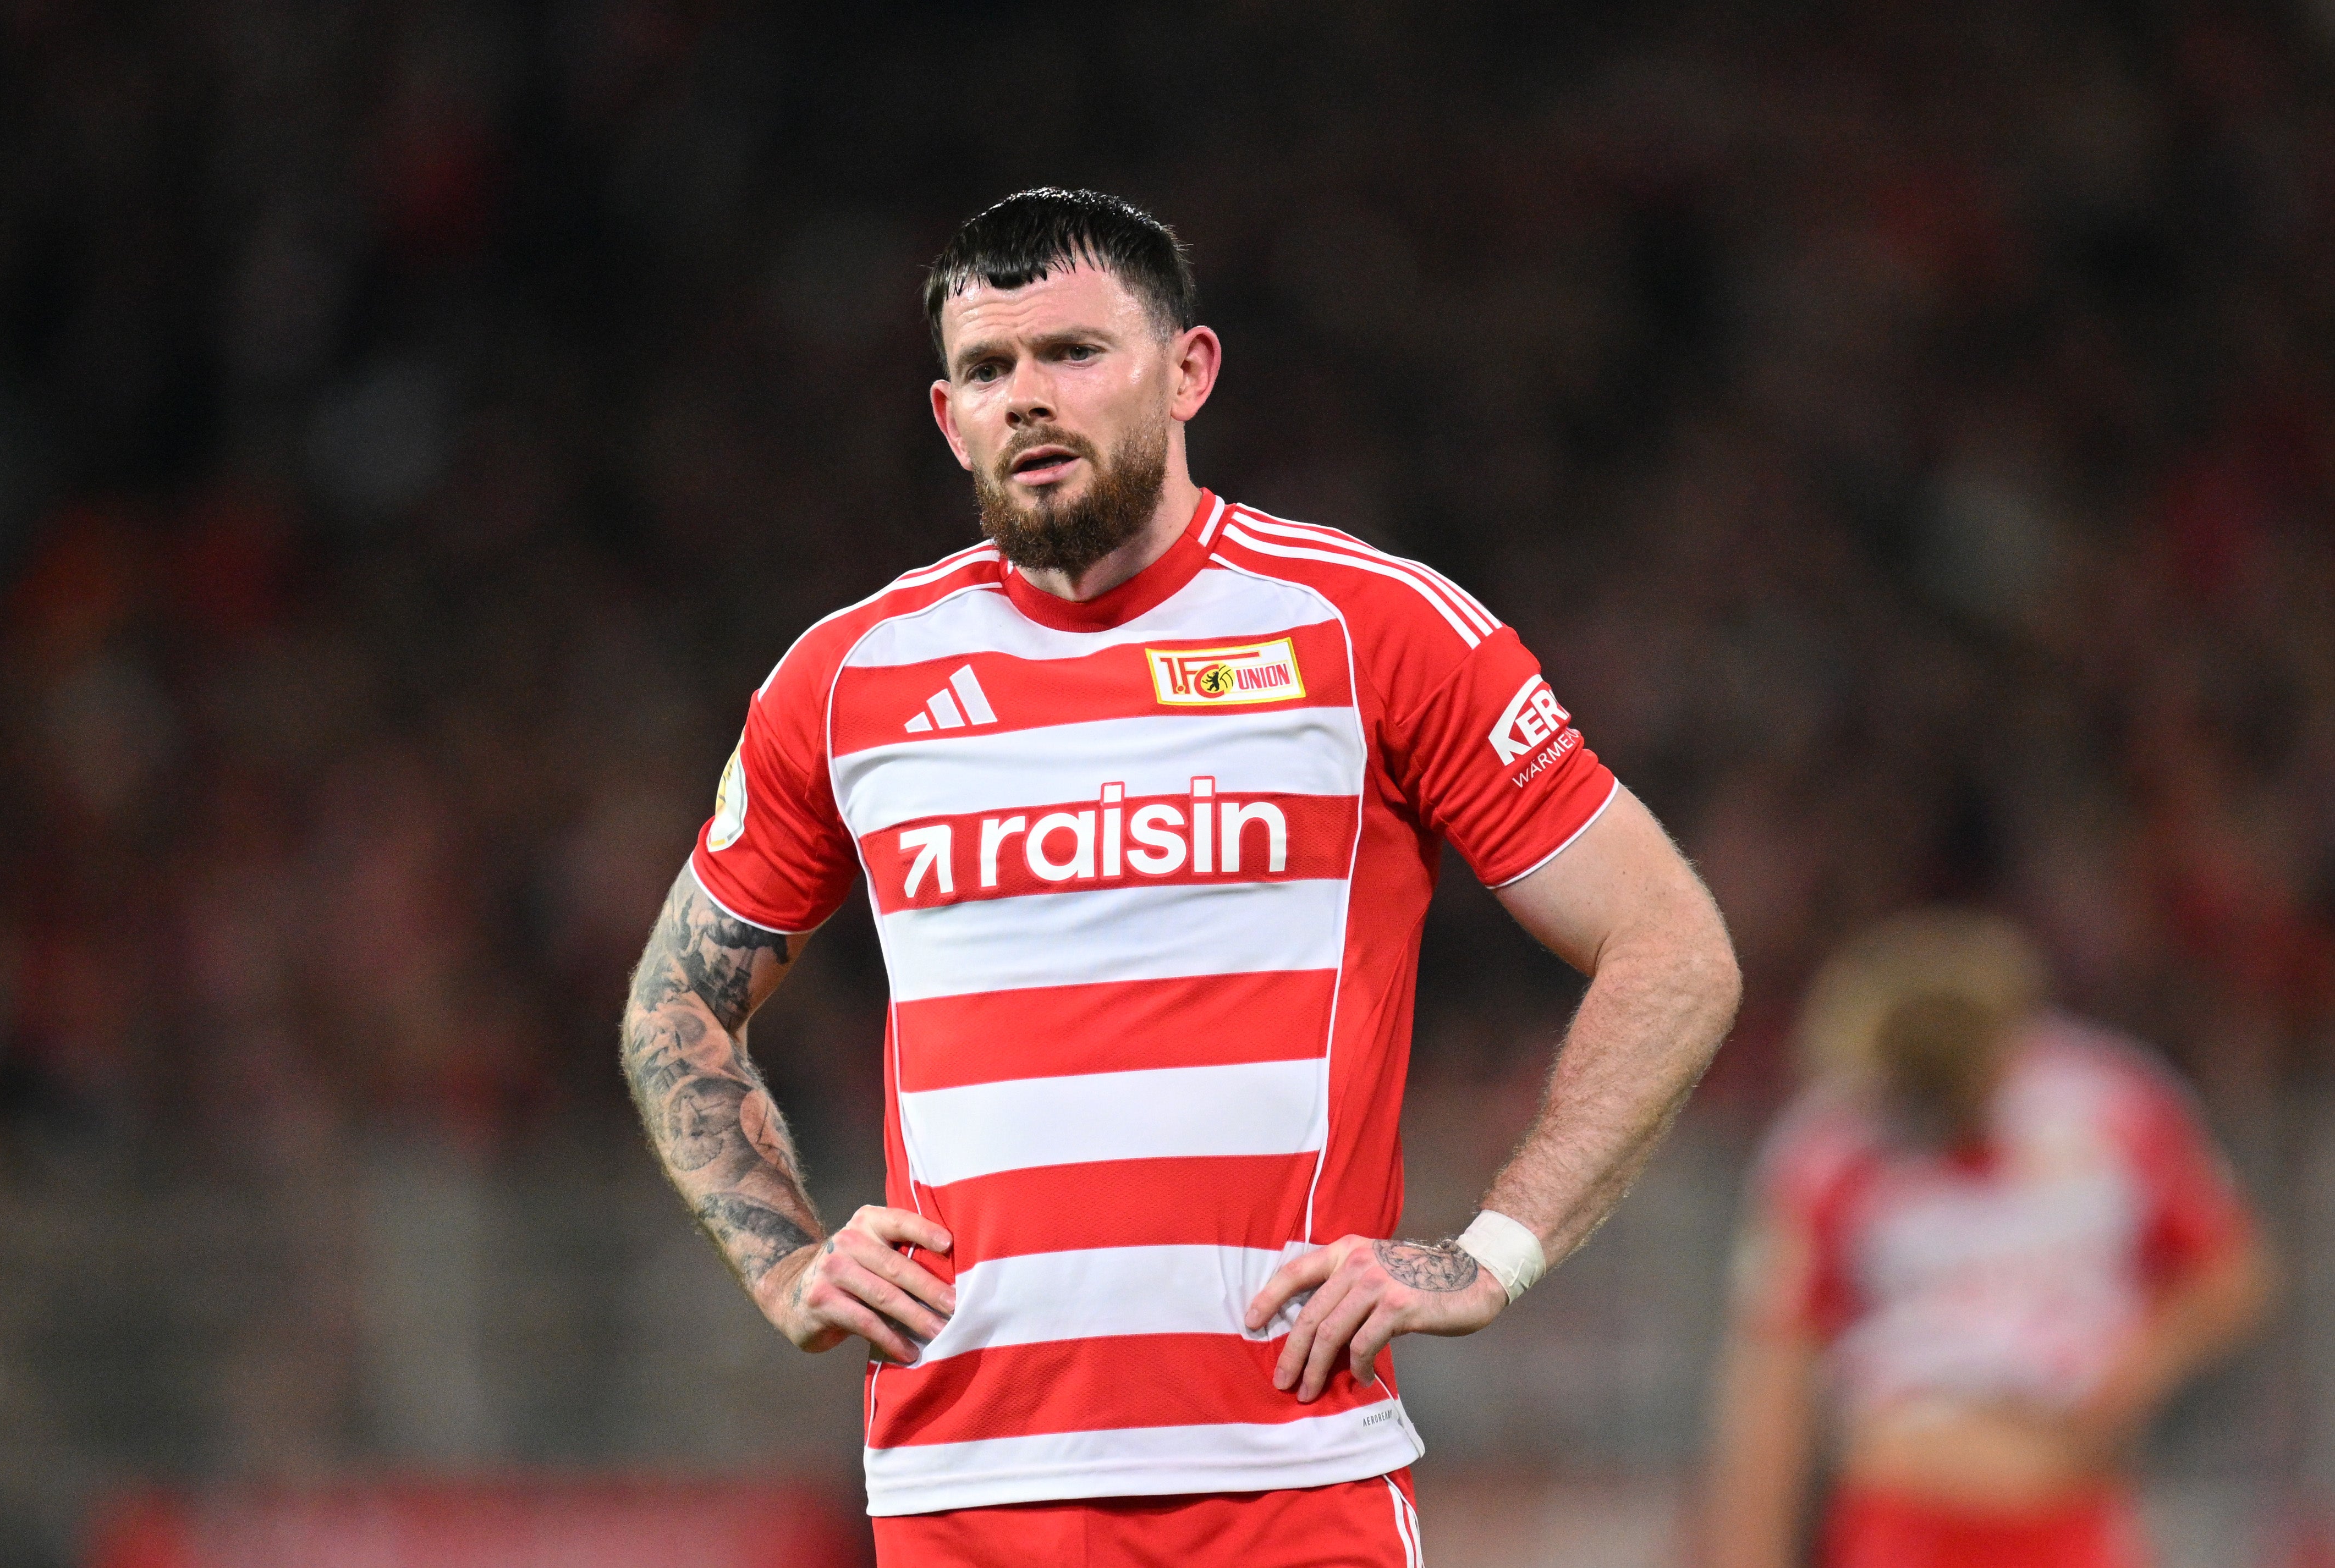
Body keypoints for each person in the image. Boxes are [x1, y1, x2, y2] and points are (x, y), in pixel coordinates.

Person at [621, 188, 1740, 1567]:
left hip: (1287, 1478)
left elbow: (1671, 947)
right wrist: (786, 1261)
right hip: (960, 1491)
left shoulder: (1367, 629)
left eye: (1074, 354)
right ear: (946, 416)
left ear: (1190, 370)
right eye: (988, 369)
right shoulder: (848, 678)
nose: (1028, 397)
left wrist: (1491, 1252)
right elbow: (675, 1000)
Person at [1704, 910, 2272, 1568]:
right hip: (1906, 1511)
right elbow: (1771, 1385)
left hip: (2065, 1507)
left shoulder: (2111, 1105)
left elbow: (2229, 1269)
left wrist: (2134, 1372)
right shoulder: (1832, 1143)